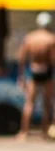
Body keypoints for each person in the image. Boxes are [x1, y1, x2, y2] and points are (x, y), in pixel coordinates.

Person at [17, 12, 55, 141]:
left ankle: (24, 132)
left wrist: (21, 76)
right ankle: (45, 131)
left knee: (29, 103)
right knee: (47, 103)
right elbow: (53, 59)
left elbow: (21, 58)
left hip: (33, 70)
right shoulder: (51, 39)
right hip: (46, 72)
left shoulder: (30, 38)